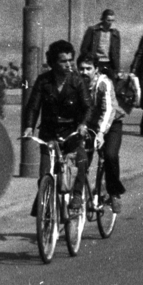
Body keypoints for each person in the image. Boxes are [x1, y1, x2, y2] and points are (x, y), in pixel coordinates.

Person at [22, 39, 92, 210]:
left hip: (71, 131)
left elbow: (88, 107)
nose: (68, 64)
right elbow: (33, 106)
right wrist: (29, 126)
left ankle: (77, 195)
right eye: (63, 61)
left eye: (70, 60)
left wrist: (83, 124)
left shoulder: (77, 81)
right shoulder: (43, 81)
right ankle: (46, 207)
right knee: (46, 172)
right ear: (53, 62)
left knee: (80, 160)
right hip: (49, 133)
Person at [78, 54, 125, 214]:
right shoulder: (78, 84)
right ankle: (79, 196)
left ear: (96, 69)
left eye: (88, 68)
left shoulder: (103, 83)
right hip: (89, 125)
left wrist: (101, 133)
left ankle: (114, 193)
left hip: (111, 125)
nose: (84, 72)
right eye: (82, 68)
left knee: (110, 156)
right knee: (82, 158)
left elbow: (109, 110)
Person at [79, 9, 121, 80]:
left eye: (112, 20)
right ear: (103, 19)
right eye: (108, 20)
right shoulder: (93, 30)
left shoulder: (115, 33)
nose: (110, 23)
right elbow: (84, 48)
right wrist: (90, 58)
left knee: (110, 84)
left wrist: (117, 69)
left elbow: (117, 53)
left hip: (109, 63)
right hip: (96, 62)